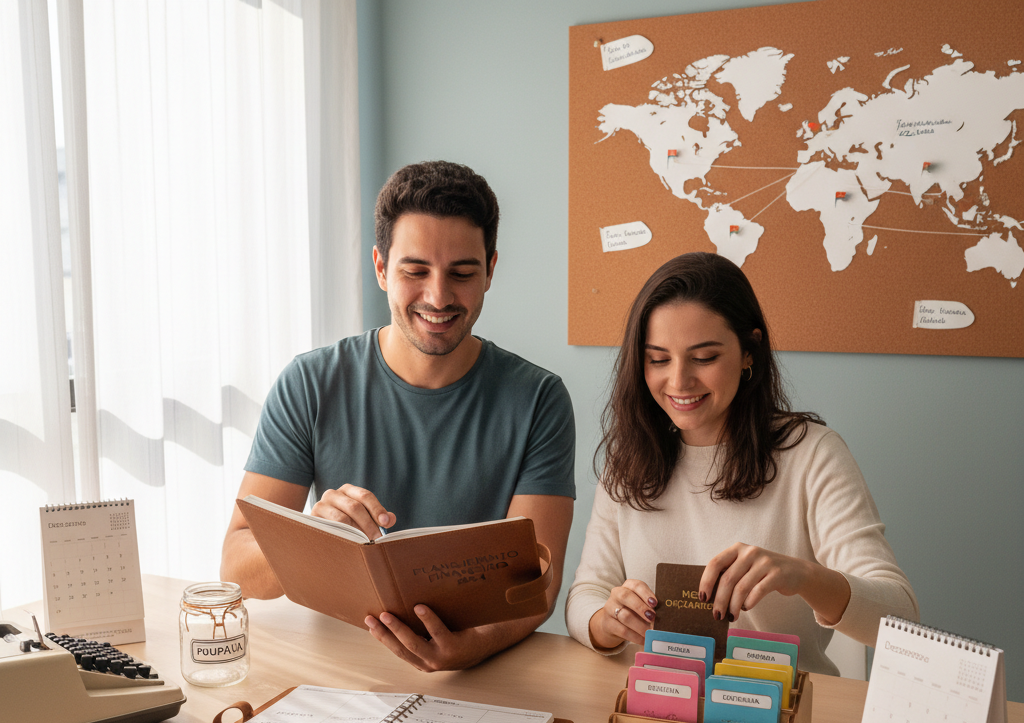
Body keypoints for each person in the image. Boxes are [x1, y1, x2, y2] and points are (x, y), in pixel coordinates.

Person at [221, 161, 575, 678]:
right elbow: (235, 565)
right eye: (415, 271)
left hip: (477, 678)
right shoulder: (309, 383)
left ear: (491, 270)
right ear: (382, 268)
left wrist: (468, 650)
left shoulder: (539, 398)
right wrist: (310, 535)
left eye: (462, 273)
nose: (438, 297)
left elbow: (537, 585)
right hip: (337, 672)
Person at [565, 251, 917, 673]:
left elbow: (899, 617)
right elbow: (586, 594)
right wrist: (608, 621)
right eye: (658, 359)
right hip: (664, 703)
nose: (678, 381)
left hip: (782, 712)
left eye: (704, 357)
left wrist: (803, 576)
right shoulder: (630, 459)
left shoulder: (812, 454)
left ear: (749, 352)